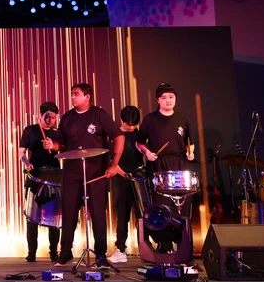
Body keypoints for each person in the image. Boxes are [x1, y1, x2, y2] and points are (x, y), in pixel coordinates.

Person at [44, 83, 125, 268]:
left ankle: (100, 255)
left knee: (98, 213)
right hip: (72, 172)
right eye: (72, 94)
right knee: (69, 212)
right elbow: (60, 144)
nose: (72, 97)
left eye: (76, 94)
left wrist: (114, 164)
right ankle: (66, 252)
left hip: (96, 172)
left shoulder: (100, 115)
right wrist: (52, 145)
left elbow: (119, 137)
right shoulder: (67, 118)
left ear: (87, 97)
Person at [135, 83, 197, 218]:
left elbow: (189, 143)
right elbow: (139, 143)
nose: (168, 100)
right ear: (158, 100)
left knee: (183, 206)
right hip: (159, 166)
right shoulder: (150, 119)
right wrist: (147, 153)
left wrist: (190, 153)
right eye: (164, 98)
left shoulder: (183, 119)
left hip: (180, 166)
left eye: (171, 97)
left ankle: (183, 230)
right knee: (163, 206)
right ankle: (164, 232)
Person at [18, 101, 61, 262]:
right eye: (47, 117)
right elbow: (21, 152)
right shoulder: (30, 130)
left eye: (53, 117)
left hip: (55, 176)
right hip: (35, 175)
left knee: (55, 216)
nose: (50, 121)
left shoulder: (58, 132)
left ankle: (54, 252)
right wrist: (26, 163)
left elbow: (64, 151)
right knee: (32, 217)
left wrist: (55, 146)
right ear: (40, 116)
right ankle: (31, 252)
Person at [110, 105, 144, 264]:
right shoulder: (114, 136)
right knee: (122, 216)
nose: (131, 128)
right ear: (121, 120)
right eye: (128, 125)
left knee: (142, 216)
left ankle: (145, 247)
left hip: (139, 179)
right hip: (120, 178)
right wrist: (123, 173)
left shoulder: (140, 135)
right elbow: (111, 160)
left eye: (134, 125)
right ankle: (120, 250)